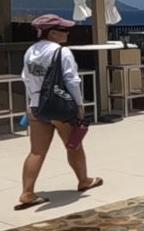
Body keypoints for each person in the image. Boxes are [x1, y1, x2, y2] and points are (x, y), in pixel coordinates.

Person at [17, 14, 102, 210]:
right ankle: (84, 180)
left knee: (36, 151)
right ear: (53, 33)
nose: (67, 33)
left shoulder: (31, 51)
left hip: (37, 105)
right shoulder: (61, 53)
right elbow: (72, 80)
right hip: (59, 107)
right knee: (74, 145)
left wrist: (32, 102)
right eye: (63, 30)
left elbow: (26, 78)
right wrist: (79, 105)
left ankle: (27, 192)